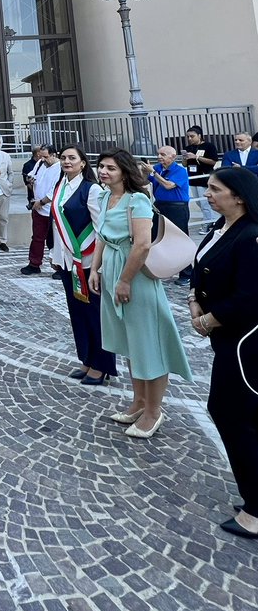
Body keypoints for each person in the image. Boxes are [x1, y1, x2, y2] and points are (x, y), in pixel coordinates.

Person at [88, 149, 193, 438]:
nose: (104, 171)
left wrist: (124, 280)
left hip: (135, 276)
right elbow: (102, 236)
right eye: (102, 166)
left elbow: (142, 245)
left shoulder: (138, 200)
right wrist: (95, 269)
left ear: (124, 171)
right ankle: (139, 402)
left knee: (149, 343)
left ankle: (154, 411)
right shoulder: (104, 197)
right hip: (112, 269)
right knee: (131, 343)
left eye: (110, 167)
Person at [189, 166, 258, 538]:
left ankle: (256, 509)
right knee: (243, 414)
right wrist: (192, 301)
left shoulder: (252, 236)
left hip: (246, 341)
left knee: (231, 412)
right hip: (226, 335)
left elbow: (252, 296)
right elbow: (200, 268)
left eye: (215, 190)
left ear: (240, 196)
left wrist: (211, 319)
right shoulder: (220, 227)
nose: (208, 195)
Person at [50, 147, 117, 385]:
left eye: (72, 158)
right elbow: (57, 228)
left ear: (83, 163)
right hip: (68, 262)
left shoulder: (92, 189)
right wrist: (56, 256)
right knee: (77, 314)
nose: (67, 161)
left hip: (88, 263)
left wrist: (97, 266)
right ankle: (87, 359)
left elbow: (101, 229)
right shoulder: (60, 187)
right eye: (64, 158)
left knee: (94, 315)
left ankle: (102, 365)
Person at [140, 146, 192, 285]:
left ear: (173, 157)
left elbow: (168, 185)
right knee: (154, 236)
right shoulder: (157, 168)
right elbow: (145, 181)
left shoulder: (179, 171)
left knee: (179, 239)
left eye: (163, 154)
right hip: (160, 206)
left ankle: (187, 273)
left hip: (177, 207)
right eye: (158, 154)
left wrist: (154, 173)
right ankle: (157, 269)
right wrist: (145, 173)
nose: (159, 157)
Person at [20, 146, 60, 274]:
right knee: (37, 238)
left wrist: (42, 202)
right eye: (40, 156)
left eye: (46, 157)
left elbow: (55, 189)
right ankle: (34, 263)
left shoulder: (59, 168)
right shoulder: (40, 163)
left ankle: (59, 267)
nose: (42, 159)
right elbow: (32, 175)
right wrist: (30, 180)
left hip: (52, 209)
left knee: (56, 240)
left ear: (54, 155)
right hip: (38, 209)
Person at [183, 126, 219, 232]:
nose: (190, 139)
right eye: (188, 137)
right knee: (198, 202)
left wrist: (197, 157)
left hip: (204, 177)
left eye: (192, 136)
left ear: (199, 136)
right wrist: (185, 158)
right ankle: (211, 219)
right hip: (193, 177)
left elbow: (213, 161)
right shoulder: (189, 148)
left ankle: (208, 222)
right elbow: (185, 164)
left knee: (204, 202)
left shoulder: (208, 146)